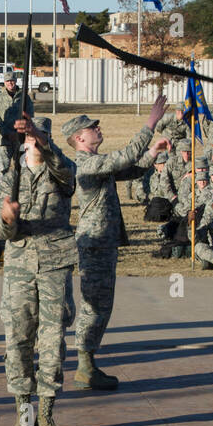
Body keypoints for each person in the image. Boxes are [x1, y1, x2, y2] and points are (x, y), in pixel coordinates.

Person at [62, 95, 170, 391]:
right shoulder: (86, 164)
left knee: (101, 305)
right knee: (94, 305)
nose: (99, 128)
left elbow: (131, 169)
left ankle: (88, 363)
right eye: (93, 127)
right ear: (80, 137)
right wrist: (150, 123)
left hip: (103, 242)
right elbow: (124, 156)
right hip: (95, 242)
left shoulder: (97, 163)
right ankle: (84, 366)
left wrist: (153, 153)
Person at [0, 115, 75, 426]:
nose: (33, 143)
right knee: (18, 338)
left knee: (52, 339)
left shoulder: (61, 170)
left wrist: (40, 136)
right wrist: (7, 218)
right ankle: (24, 413)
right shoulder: (10, 177)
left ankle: (46, 413)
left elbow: (64, 171)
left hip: (55, 263)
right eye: (28, 139)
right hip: (19, 267)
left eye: (39, 137)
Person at [0, 74, 33, 183]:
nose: (10, 83)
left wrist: (20, 133)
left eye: (12, 80)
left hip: (21, 138)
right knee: (3, 168)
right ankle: (1, 192)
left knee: (23, 166)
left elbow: (30, 116)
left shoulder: (24, 97)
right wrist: (7, 133)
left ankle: (22, 191)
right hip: (4, 140)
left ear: (16, 81)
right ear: (4, 83)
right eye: (8, 81)